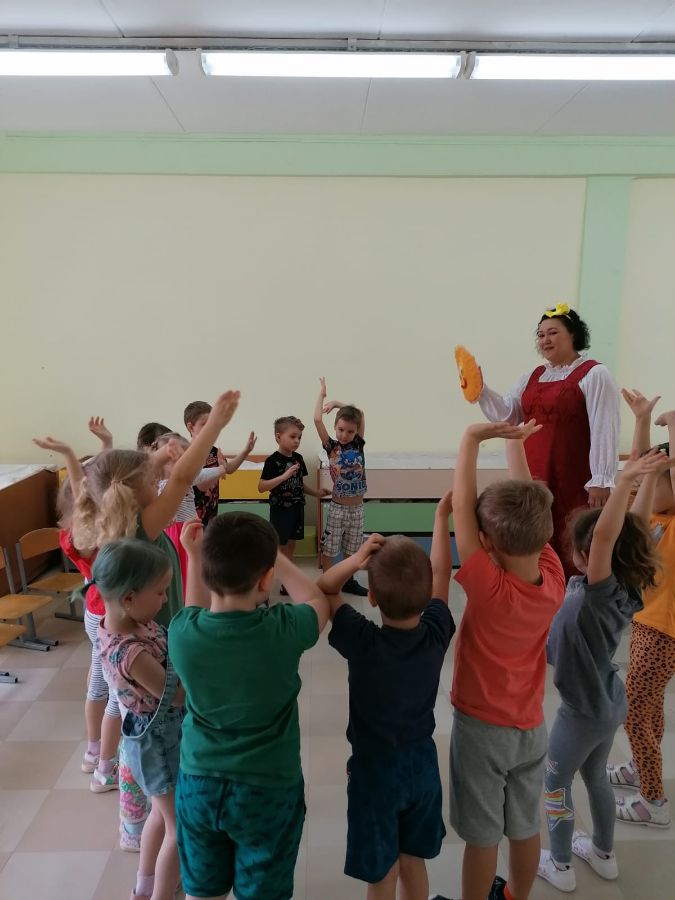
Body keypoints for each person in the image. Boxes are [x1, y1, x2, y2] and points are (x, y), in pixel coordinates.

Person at [434, 420, 566, 900]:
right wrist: (514, 446)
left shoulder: (489, 590)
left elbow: (462, 510)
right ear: (544, 533)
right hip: (530, 727)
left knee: (482, 836)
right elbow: (531, 502)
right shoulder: (552, 575)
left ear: (487, 543)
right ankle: (514, 896)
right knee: (525, 826)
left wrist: (471, 438)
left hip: (481, 730)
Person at [168, 512, 330, 900]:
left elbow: (193, 611)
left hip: (198, 783)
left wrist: (194, 556)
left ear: (208, 573)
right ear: (265, 579)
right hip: (268, 788)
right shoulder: (283, 629)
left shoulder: (182, 633)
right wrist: (276, 556)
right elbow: (316, 599)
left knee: (201, 891)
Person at [318, 491, 455, 900]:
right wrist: (440, 517)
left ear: (372, 597)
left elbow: (325, 587)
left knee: (382, 870)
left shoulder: (363, 641)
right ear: (427, 594)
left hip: (374, 770)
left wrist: (356, 559)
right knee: (413, 860)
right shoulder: (436, 632)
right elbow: (442, 574)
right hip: (422, 764)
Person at [538, 449, 663, 892]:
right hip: (607, 703)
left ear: (586, 556)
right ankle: (604, 854)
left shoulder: (598, 591)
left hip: (582, 711)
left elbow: (609, 537)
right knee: (594, 777)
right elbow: (633, 531)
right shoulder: (625, 582)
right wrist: (649, 476)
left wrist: (625, 480)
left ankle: (560, 863)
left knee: (555, 783)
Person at [477, 303, 620, 576]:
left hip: (574, 478)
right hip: (533, 478)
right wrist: (481, 390)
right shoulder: (531, 376)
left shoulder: (595, 374)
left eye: (553, 333)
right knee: (534, 541)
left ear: (573, 335)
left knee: (573, 543)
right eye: (541, 335)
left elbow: (605, 427)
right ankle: (539, 596)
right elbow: (508, 415)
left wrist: (601, 480)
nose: (545, 340)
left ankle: (572, 598)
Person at [95, 538, 187, 900]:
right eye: (160, 592)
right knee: (180, 828)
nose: (165, 599)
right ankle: (162, 892)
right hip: (157, 745)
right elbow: (176, 695)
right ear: (129, 598)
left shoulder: (126, 622)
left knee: (161, 817)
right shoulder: (130, 653)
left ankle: (145, 887)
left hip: (153, 742)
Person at [606, 390, 675, 829]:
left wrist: (673, 425)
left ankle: (653, 800)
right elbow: (640, 468)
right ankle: (638, 766)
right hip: (648, 627)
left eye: (657, 481)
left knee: (633, 711)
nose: (641, 487)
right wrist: (643, 420)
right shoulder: (654, 517)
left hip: (663, 633)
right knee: (648, 707)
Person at [259, 415, 331, 588]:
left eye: (299, 437)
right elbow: (261, 487)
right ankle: (268, 579)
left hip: (297, 508)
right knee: (279, 546)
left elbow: (299, 484)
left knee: (291, 544)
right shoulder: (272, 461)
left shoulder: (298, 458)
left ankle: (287, 580)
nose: (297, 441)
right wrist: (283, 476)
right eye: (293, 436)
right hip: (280, 510)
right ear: (278, 437)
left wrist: (316, 493)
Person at [314, 376, 368, 596]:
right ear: (335, 427)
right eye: (340, 429)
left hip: (357, 509)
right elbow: (317, 419)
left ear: (356, 432)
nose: (344, 435)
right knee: (329, 548)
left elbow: (360, 414)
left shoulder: (358, 444)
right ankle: (328, 582)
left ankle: (347, 581)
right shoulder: (331, 447)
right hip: (337, 508)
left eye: (350, 431)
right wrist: (322, 395)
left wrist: (337, 403)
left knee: (352, 549)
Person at [183, 400, 257, 528]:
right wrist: (220, 470)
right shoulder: (188, 453)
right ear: (191, 427)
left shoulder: (213, 451)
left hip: (212, 513)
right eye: (205, 425)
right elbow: (202, 486)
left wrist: (246, 451)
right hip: (194, 517)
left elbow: (228, 469)